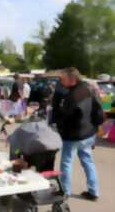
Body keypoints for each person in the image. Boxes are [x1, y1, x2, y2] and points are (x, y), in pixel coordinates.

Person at [52, 67, 103, 201]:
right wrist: (95, 126)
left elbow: (64, 117)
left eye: (63, 79)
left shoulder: (72, 96)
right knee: (87, 161)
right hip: (88, 133)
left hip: (75, 135)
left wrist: (59, 128)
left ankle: (65, 191)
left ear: (72, 79)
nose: (61, 82)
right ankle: (94, 192)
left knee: (66, 163)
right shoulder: (89, 88)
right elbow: (98, 108)